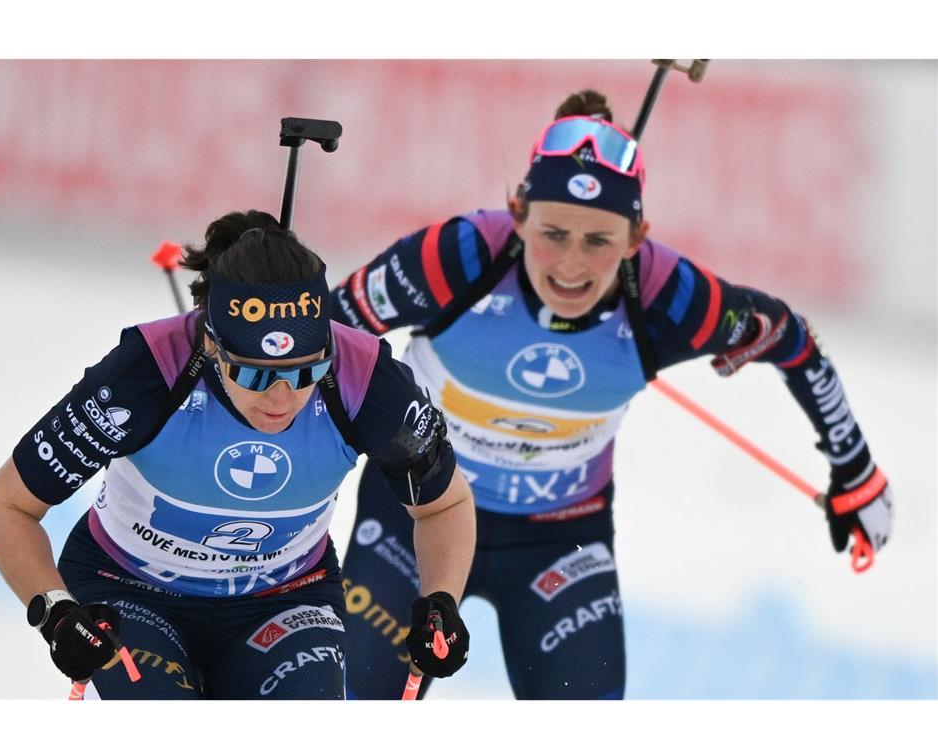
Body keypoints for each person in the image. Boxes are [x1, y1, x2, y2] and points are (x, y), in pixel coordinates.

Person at [330, 90, 893, 699]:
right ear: (518, 213)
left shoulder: (668, 296)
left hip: (557, 540)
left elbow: (791, 339)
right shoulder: (461, 256)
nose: (572, 264)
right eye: (554, 232)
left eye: (599, 240)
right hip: (416, 518)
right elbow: (324, 341)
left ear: (636, 236)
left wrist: (856, 470)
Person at [0, 210, 476, 699]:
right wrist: (56, 611)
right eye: (256, 375)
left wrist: (442, 601)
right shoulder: (148, 373)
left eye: (304, 372)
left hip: (284, 597)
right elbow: (7, 504)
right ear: (212, 344)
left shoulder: (365, 380)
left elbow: (444, 504)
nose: (281, 400)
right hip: (130, 588)